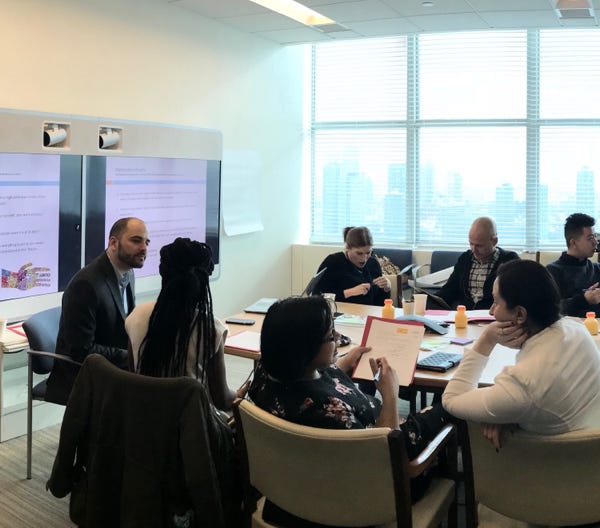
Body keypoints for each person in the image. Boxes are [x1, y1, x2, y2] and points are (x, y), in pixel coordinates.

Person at [249, 296, 452, 524]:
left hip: (297, 485)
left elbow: (315, 384)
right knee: (448, 407)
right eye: (330, 335)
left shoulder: (267, 377)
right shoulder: (330, 411)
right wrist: (390, 394)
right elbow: (383, 458)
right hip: (370, 490)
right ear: (306, 349)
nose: (338, 337)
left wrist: (341, 366)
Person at [442, 259, 600, 449]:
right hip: (588, 452)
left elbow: (451, 399)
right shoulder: (576, 330)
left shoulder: (521, 385)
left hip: (543, 461)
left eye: (496, 302)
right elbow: (537, 401)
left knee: (440, 415)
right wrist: (509, 415)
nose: (491, 311)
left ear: (520, 315)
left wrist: (486, 340)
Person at [125, 238, 242, 412]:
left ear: (163, 275)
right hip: (192, 424)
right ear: (203, 282)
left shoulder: (136, 316)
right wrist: (238, 395)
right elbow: (222, 400)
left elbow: (132, 377)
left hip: (143, 418)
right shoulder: (210, 330)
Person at [45, 217, 149, 405]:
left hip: (111, 366)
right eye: (136, 240)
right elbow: (81, 350)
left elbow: (123, 326)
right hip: (80, 375)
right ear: (113, 243)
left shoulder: (127, 272)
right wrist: (131, 356)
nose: (144, 248)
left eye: (146, 242)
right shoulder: (86, 285)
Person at [437, 217, 519, 309]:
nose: (474, 250)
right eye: (471, 244)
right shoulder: (465, 259)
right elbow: (449, 291)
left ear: (494, 241)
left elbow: (515, 297)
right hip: (465, 314)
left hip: (493, 314)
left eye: (479, 245)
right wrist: (430, 300)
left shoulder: (509, 261)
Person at [314, 226, 391, 306]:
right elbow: (316, 296)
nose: (364, 259)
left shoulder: (373, 263)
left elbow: (380, 304)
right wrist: (349, 292)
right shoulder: (333, 262)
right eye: (359, 253)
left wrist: (386, 289)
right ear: (347, 248)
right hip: (341, 312)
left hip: (369, 312)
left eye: (368, 253)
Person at [546, 212, 600, 317]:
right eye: (590, 238)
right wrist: (584, 299)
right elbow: (549, 309)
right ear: (573, 242)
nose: (595, 242)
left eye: (594, 237)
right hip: (568, 326)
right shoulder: (552, 271)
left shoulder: (597, 269)